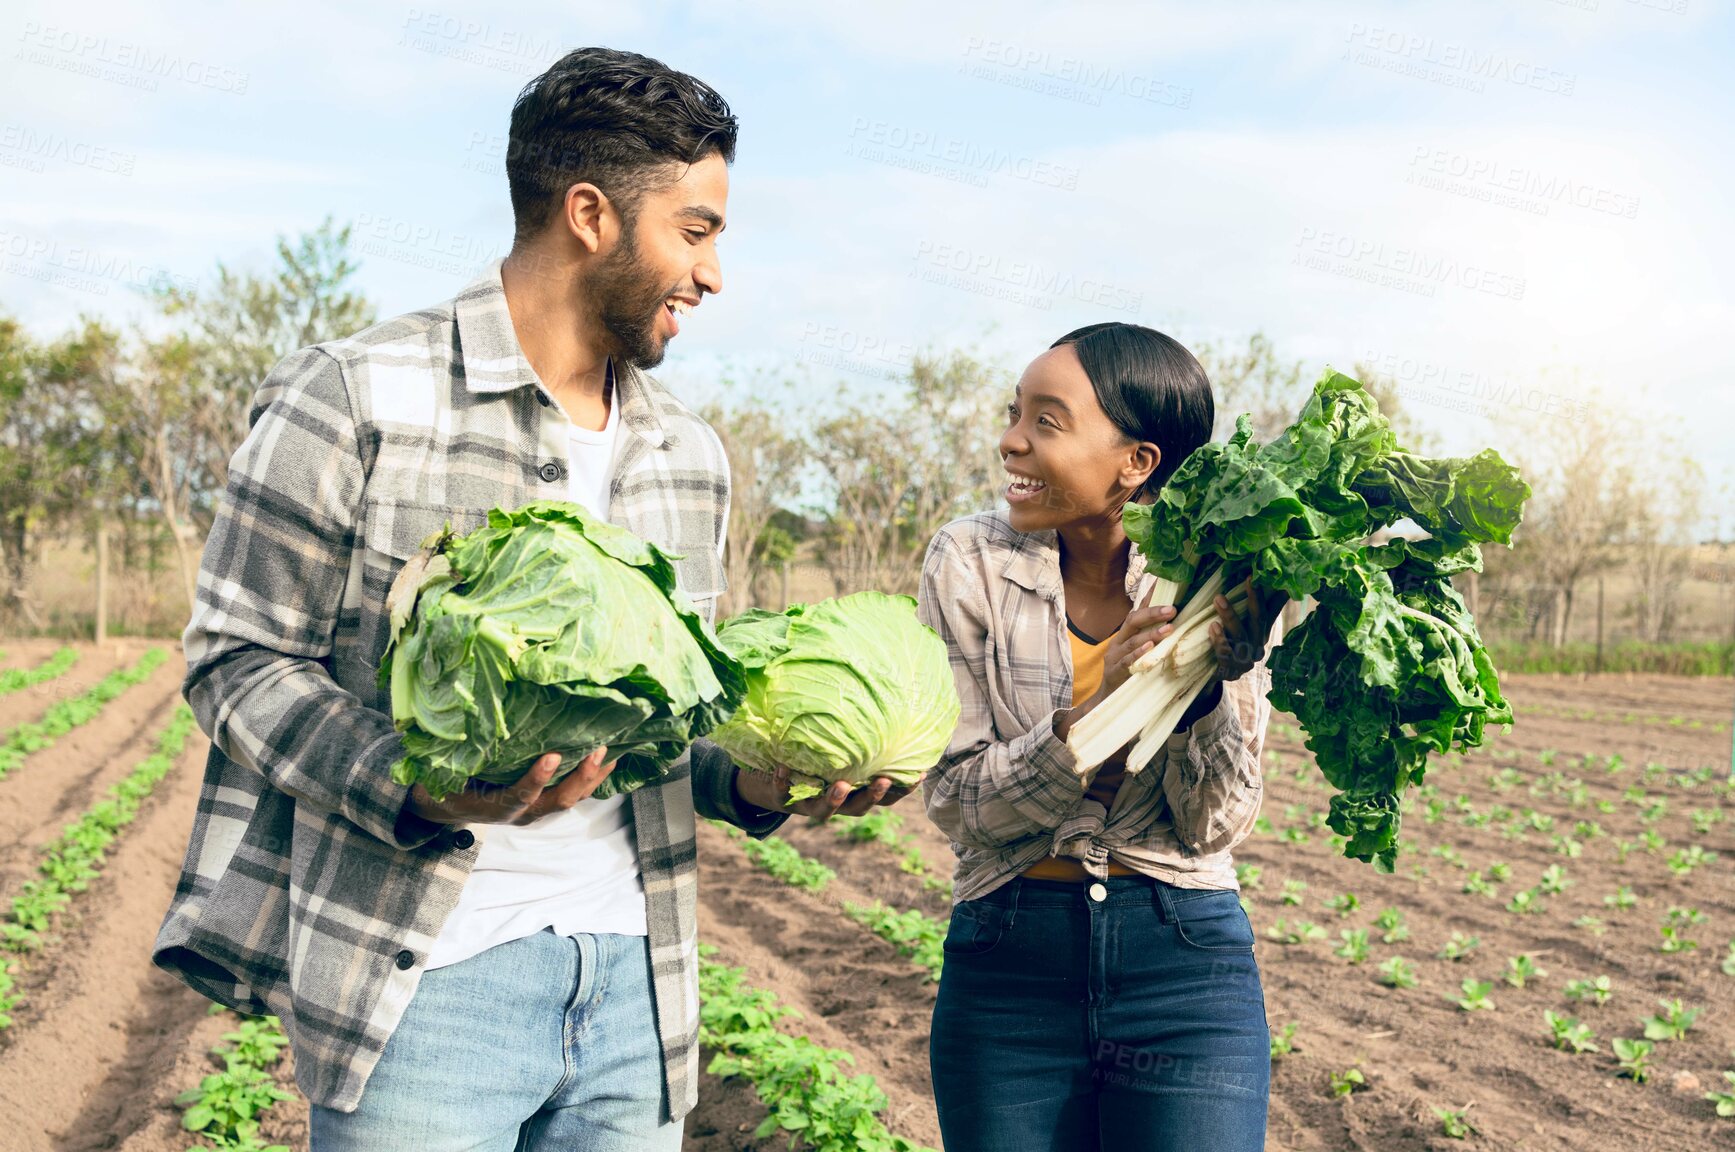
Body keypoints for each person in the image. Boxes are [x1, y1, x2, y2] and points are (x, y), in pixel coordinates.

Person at [152, 47, 907, 1152]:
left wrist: (760, 777)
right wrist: (421, 787)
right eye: (695, 231)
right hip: (421, 990)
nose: (712, 274)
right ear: (590, 214)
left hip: (636, 990)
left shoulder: (687, 453)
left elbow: (665, 723)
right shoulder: (357, 395)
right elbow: (235, 660)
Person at [918, 322, 1281, 1152]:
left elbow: (1214, 827)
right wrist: (1090, 725)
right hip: (1007, 962)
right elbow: (954, 800)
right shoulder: (967, 560)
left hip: (1183, 965)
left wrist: (1195, 702)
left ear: (1137, 462)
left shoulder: (1223, 576)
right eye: (1016, 414)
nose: (1010, 441)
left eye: (1046, 421)